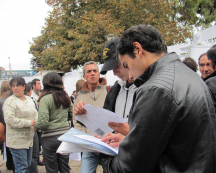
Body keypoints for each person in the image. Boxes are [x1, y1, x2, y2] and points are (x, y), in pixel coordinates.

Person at [99, 24, 216, 172]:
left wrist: (103, 153)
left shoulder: (155, 89)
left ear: (137, 49)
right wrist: (131, 143)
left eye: (126, 65)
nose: (130, 76)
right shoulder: (188, 74)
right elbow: (179, 142)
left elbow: (130, 168)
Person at [73, 61, 107, 173]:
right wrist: (87, 136)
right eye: (89, 71)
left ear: (99, 74)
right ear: (84, 76)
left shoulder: (109, 91)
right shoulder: (79, 96)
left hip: (108, 143)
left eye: (95, 71)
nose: (92, 73)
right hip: (90, 145)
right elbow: (76, 120)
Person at [35, 72, 73, 173]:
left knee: (52, 169)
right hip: (65, 136)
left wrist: (35, 125)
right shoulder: (66, 96)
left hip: (50, 138)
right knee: (64, 167)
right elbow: (72, 114)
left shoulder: (45, 99)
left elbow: (42, 123)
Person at [100, 38, 137, 136]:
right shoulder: (114, 90)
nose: (115, 72)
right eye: (111, 68)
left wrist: (130, 134)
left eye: (117, 65)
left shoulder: (148, 89)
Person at [3, 77, 38, 173]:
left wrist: (37, 123)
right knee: (21, 167)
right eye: (13, 86)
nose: (15, 88)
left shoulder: (29, 99)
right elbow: (10, 120)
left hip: (29, 139)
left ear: (24, 87)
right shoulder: (10, 101)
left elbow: (35, 114)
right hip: (16, 140)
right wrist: (29, 123)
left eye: (18, 85)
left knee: (28, 165)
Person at [0, 81, 15, 172]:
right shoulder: (11, 98)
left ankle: (8, 162)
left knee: (5, 145)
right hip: (10, 124)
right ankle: (12, 163)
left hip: (1, 124)